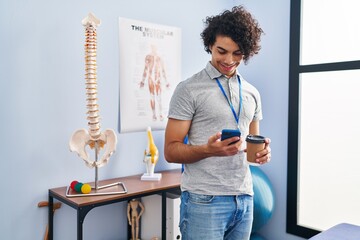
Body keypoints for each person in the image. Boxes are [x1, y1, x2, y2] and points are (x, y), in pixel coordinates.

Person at [164, 5, 271, 240]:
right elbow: (171, 151)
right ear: (210, 44)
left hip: (244, 198)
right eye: (222, 51)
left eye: (238, 53)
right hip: (204, 200)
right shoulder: (189, 90)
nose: (229, 60)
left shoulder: (252, 93)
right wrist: (207, 150)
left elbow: (250, 144)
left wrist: (262, 153)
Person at [140, 44, 170, 121]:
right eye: (153, 47)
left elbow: (163, 70)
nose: (154, 48)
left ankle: (160, 114)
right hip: (150, 79)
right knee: (152, 97)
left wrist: (166, 82)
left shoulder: (159, 58)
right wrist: (142, 81)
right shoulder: (148, 57)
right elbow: (145, 69)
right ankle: (154, 114)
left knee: (159, 98)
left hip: (158, 79)